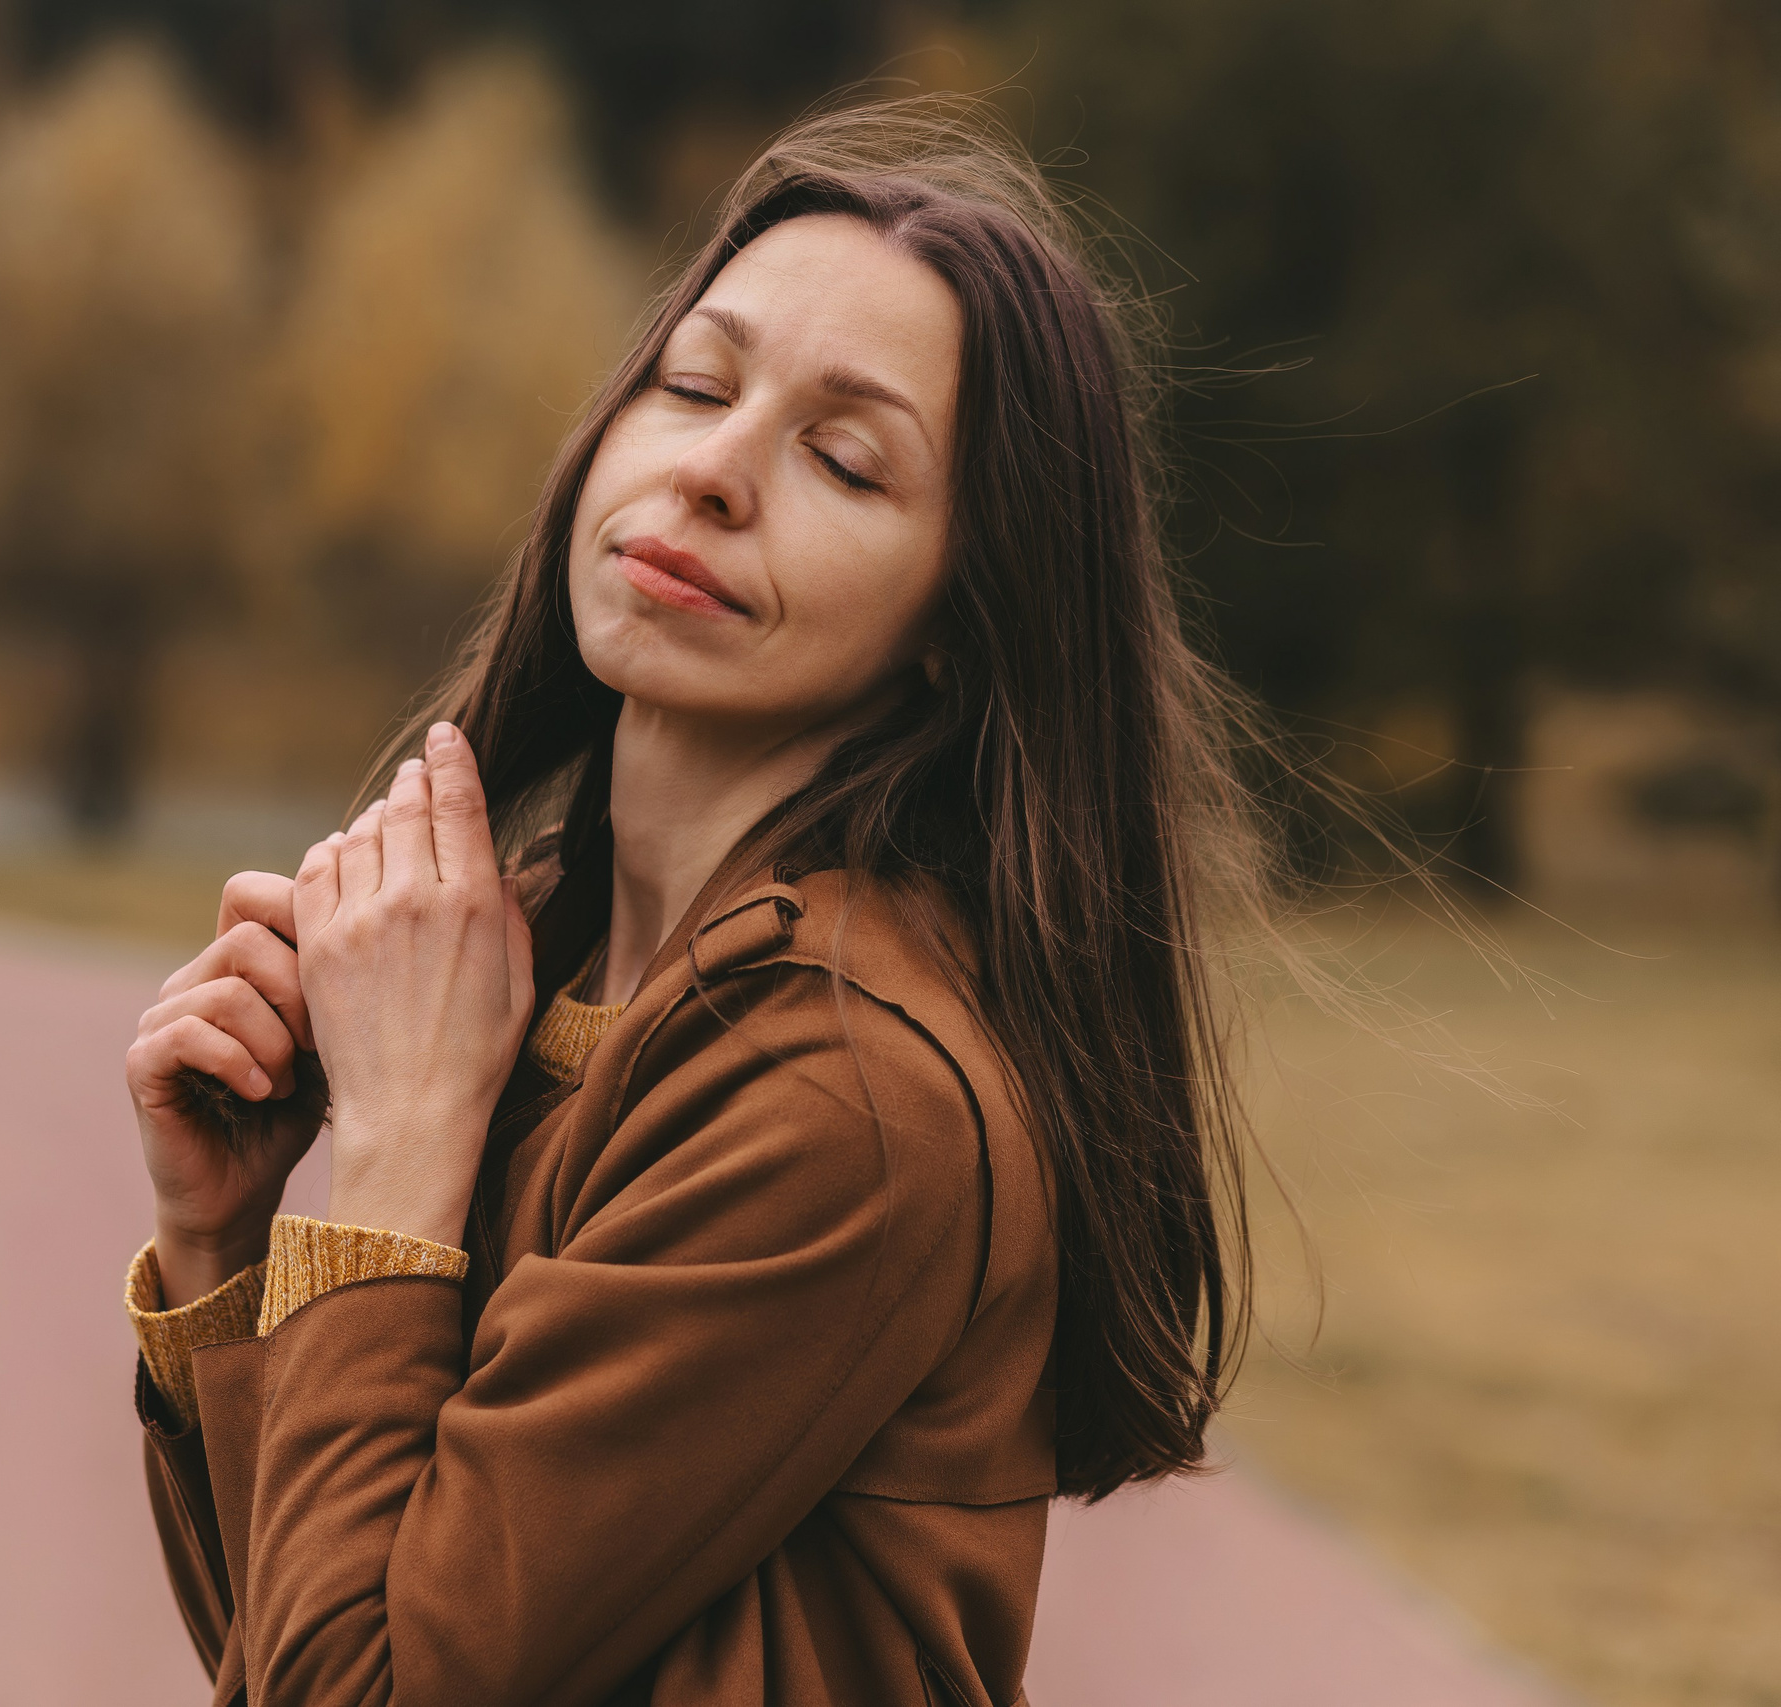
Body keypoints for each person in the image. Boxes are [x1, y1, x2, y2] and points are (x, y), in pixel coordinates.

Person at [118, 98, 1269, 1707]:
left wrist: (391, 1152)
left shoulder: (843, 1094)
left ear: (963, 616)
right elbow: (299, 1635)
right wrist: (228, 1243)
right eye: (696, 384)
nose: (716, 472)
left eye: (845, 460)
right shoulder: (541, 977)